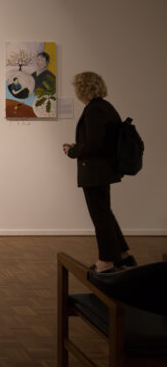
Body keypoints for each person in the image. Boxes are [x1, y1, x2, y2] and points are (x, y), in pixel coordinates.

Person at [63, 72, 136, 273]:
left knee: (100, 216)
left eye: (77, 87)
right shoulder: (105, 107)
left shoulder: (94, 110)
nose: (76, 91)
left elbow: (94, 144)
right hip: (103, 170)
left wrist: (73, 150)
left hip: (95, 171)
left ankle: (105, 261)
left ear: (82, 88)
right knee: (105, 213)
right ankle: (123, 254)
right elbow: (99, 141)